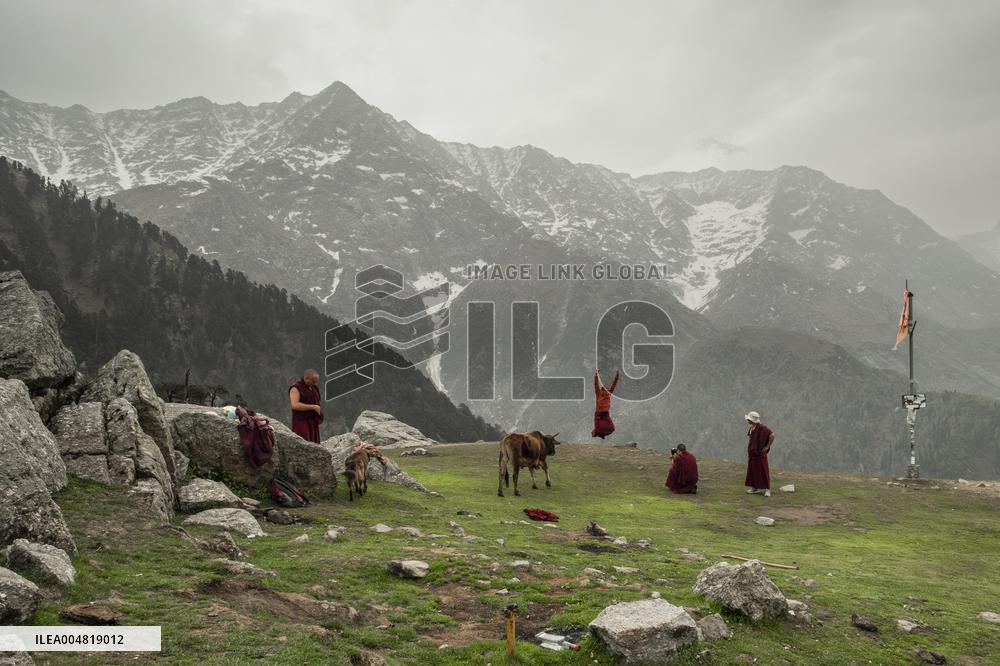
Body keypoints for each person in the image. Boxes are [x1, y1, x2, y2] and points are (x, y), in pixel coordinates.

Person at [744, 410, 774, 497]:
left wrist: (767, 447)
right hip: (753, 454)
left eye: (748, 419)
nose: (747, 421)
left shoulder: (762, 428)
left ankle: (767, 489)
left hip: (760, 453)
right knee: (753, 470)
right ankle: (754, 488)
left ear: (752, 420)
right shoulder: (752, 427)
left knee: (763, 470)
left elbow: (772, 435)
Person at [289, 369, 323, 443]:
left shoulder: (314, 388)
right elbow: (295, 405)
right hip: (301, 421)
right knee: (304, 442)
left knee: (314, 444)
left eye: (316, 381)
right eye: (313, 381)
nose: (314, 383)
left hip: (313, 422)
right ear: (306, 378)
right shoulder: (296, 388)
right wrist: (313, 407)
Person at [592, 368, 620, 439]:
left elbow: (614, 385)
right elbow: (596, 384)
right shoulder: (599, 394)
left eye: (607, 389)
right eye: (604, 389)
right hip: (598, 414)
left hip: (606, 413)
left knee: (611, 428)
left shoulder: (609, 393)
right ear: (602, 390)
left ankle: (602, 434)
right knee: (598, 429)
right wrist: (596, 375)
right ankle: (599, 434)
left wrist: (617, 376)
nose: (606, 390)